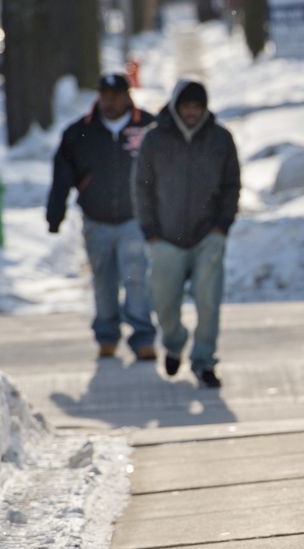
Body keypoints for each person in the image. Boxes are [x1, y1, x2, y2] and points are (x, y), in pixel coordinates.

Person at [132, 80, 240, 388]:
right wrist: (149, 230)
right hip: (164, 237)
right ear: (176, 107)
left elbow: (232, 184)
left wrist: (222, 225)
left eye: (197, 107)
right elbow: (141, 185)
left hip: (208, 236)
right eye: (187, 106)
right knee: (164, 303)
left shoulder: (221, 138)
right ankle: (175, 341)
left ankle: (204, 361)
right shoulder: (154, 139)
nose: (192, 112)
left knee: (209, 303)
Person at [47, 73, 157, 361]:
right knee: (103, 279)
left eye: (116, 96)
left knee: (136, 277)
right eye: (105, 96)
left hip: (135, 218)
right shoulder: (80, 132)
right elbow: (62, 174)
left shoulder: (148, 127)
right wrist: (54, 213)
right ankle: (107, 335)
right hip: (96, 218)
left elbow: (167, 171)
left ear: (127, 95)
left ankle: (143, 337)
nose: (110, 102)